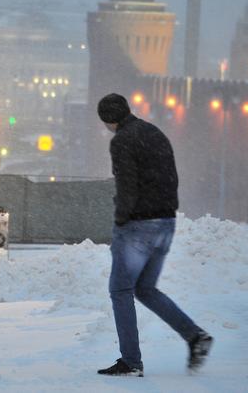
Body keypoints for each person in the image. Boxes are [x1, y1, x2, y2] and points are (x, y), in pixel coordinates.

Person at [95, 93, 213, 377]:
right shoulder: (153, 132)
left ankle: (131, 362)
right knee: (145, 289)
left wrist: (122, 220)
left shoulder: (122, 140)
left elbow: (127, 184)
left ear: (109, 119)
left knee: (120, 290)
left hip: (139, 225)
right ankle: (195, 337)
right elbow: (171, 177)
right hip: (166, 221)